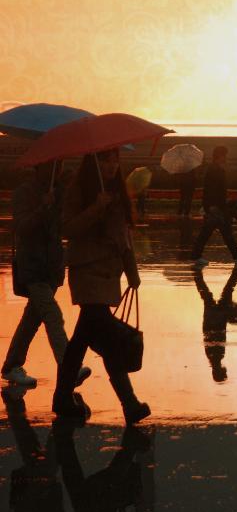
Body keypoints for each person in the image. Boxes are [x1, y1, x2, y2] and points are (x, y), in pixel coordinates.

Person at [52, 149, 150, 424]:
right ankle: (128, 402)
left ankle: (64, 397)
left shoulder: (117, 192)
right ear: (93, 163)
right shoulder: (79, 191)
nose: (111, 165)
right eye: (105, 160)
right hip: (88, 273)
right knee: (104, 338)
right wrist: (96, 207)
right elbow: (68, 228)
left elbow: (124, 237)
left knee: (84, 339)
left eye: (114, 160)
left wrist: (132, 271)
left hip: (109, 275)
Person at [3, 161, 90, 388]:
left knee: (31, 320)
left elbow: (63, 226)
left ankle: (12, 366)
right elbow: (21, 227)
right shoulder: (24, 192)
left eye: (59, 166)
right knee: (52, 315)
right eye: (52, 166)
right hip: (32, 266)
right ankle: (68, 366)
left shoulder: (59, 192)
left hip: (51, 267)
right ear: (39, 166)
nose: (56, 171)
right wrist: (43, 207)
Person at [191, 146, 237, 266]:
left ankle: (196, 256)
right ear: (220, 156)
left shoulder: (213, 169)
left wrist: (208, 205)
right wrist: (214, 205)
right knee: (220, 232)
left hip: (214, 206)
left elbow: (209, 190)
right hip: (216, 207)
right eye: (225, 155)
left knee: (214, 232)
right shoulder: (216, 170)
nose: (226, 158)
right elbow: (214, 190)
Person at [194, 265, 237, 382]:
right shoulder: (212, 357)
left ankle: (236, 273)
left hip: (216, 320)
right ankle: (197, 276)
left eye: (223, 372)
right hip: (211, 320)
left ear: (219, 371)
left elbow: (218, 337)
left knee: (225, 293)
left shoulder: (217, 356)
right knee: (210, 295)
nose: (225, 369)